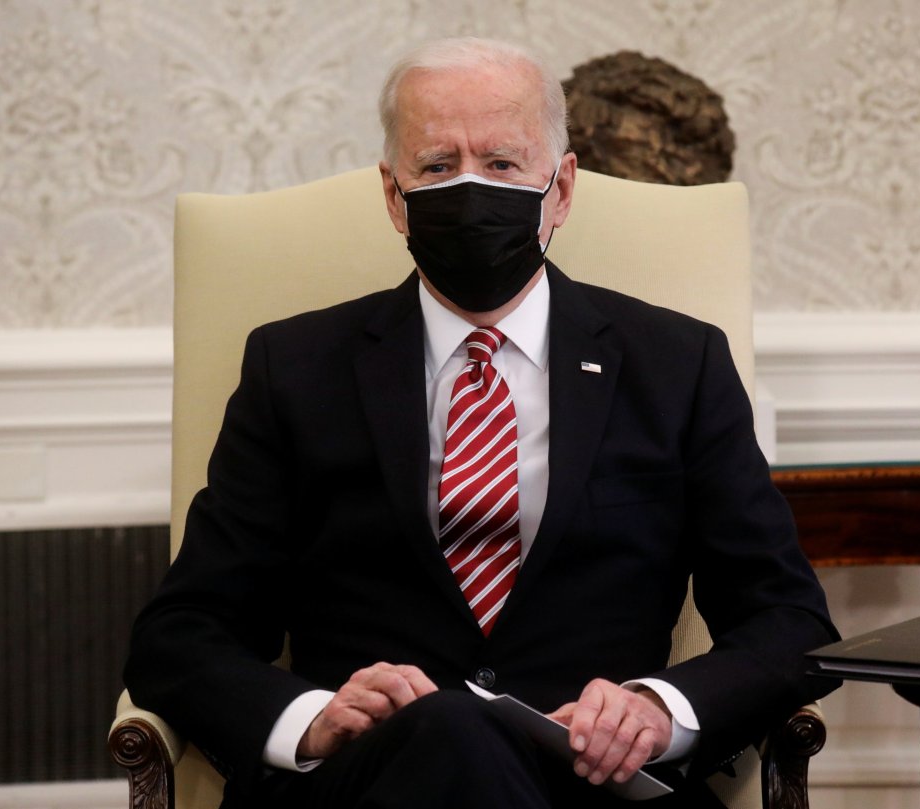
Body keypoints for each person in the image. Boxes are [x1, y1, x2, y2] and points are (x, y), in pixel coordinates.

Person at [124, 36, 839, 809]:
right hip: (370, 781)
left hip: (590, 783)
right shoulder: (294, 368)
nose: (469, 189)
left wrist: (657, 709)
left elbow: (790, 623)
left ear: (561, 188)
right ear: (394, 196)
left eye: (502, 163)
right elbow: (182, 632)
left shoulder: (676, 365)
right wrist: (313, 719)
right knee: (451, 728)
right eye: (437, 166)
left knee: (466, 735)